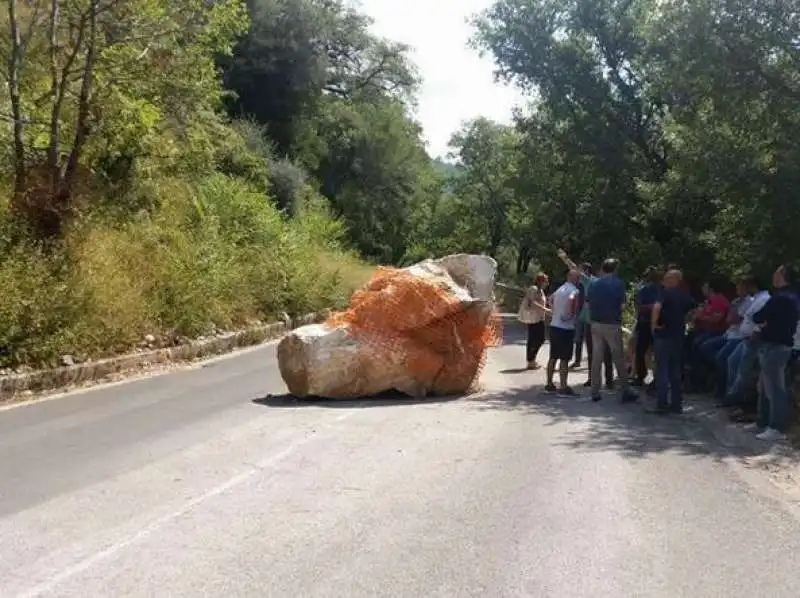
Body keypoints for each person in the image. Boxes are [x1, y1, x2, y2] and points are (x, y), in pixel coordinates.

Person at [748, 265, 800, 441]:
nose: (773, 275)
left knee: (774, 388)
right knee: (764, 386)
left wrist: (764, 324)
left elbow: (758, 316)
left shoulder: (781, 298)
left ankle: (776, 427)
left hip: (775, 346)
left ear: (782, 277)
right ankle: (762, 421)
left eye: (776, 273)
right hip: (779, 344)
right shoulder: (792, 297)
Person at [556, 251, 613, 388]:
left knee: (593, 351)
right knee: (605, 351)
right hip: (605, 319)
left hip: (590, 320)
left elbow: (574, 269)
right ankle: (609, 380)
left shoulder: (590, 281)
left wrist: (564, 258)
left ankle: (593, 379)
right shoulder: (611, 284)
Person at [585, 258, 638, 403]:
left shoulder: (594, 283)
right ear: (615, 269)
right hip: (612, 324)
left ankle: (595, 391)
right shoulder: (618, 284)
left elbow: (588, 304)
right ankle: (625, 390)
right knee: (618, 357)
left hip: (595, 323)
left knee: (597, 357)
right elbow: (622, 306)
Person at [649, 269, 697, 414]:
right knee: (675, 370)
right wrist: (685, 321)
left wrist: (653, 325)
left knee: (662, 369)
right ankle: (676, 404)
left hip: (663, 335)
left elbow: (656, 307)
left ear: (674, 280)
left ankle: (662, 403)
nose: (665, 280)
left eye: (668, 277)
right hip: (678, 336)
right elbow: (694, 310)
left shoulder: (664, 293)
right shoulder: (684, 296)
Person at [545, 270, 580, 395]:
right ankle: (563, 386)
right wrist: (571, 314)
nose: (579, 280)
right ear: (572, 278)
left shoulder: (560, 289)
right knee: (564, 358)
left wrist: (554, 311)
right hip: (566, 328)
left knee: (553, 356)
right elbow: (571, 299)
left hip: (554, 326)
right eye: (577, 277)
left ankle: (549, 383)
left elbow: (549, 299)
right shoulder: (574, 291)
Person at [632, 267, 661, 386]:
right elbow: (639, 306)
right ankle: (645, 376)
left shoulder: (648, 289)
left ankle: (643, 376)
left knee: (643, 351)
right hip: (651, 323)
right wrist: (654, 307)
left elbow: (639, 306)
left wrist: (651, 307)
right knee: (647, 351)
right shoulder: (648, 289)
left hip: (648, 323)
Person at [518, 272, 550, 369]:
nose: (547, 283)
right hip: (533, 318)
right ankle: (531, 360)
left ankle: (532, 360)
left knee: (538, 339)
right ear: (541, 281)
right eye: (545, 281)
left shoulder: (540, 291)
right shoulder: (534, 289)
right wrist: (545, 309)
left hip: (539, 318)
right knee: (536, 339)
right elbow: (532, 302)